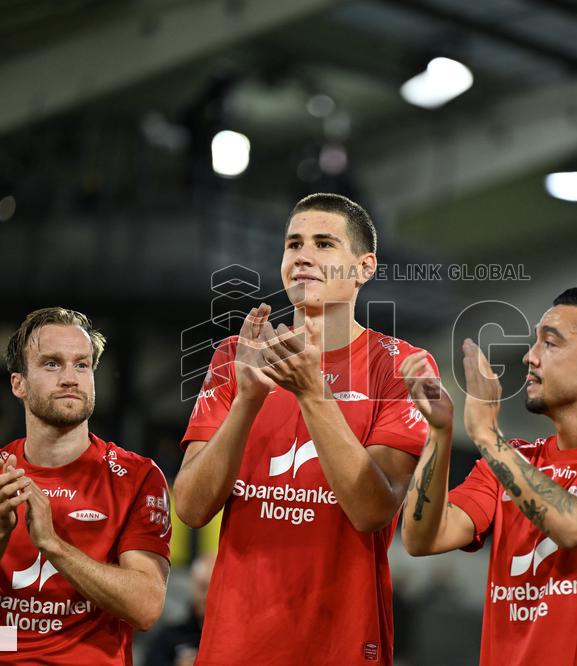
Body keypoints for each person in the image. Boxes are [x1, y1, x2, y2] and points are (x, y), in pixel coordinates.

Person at [173, 193, 434, 666]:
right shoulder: (236, 358)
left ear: (364, 267)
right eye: (293, 244)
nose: (303, 257)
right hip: (234, 646)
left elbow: (372, 510)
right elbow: (190, 507)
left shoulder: (398, 365)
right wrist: (248, 400)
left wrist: (313, 394)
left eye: (324, 244)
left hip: (340, 645)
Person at [401, 287, 577, 666]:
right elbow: (423, 538)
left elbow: (575, 525)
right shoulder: (511, 460)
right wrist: (439, 432)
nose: (529, 357)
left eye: (549, 343)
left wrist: (486, 435)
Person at [0, 308, 171, 664]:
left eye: (82, 365)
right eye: (52, 364)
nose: (71, 378)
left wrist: (52, 544)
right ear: (19, 384)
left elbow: (146, 607)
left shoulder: (138, 477)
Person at [145, 553, 216, 666]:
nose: (207, 595)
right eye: (203, 587)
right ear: (193, 586)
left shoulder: (238, 637)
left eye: (215, 589)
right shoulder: (168, 639)